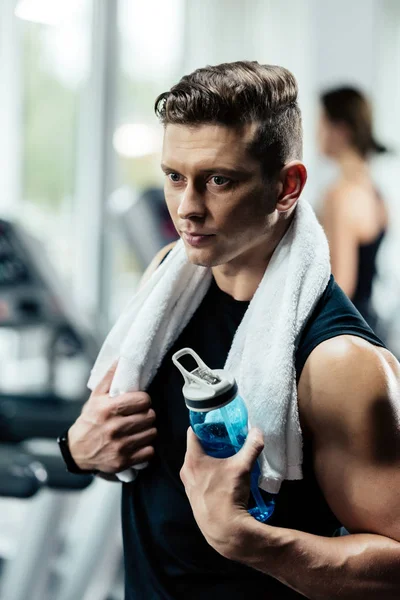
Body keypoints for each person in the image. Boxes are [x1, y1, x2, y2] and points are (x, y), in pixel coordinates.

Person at [62, 62, 400, 599]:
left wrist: (255, 544)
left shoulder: (339, 364)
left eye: (218, 180)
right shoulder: (166, 276)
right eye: (175, 177)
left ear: (287, 185)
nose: (187, 209)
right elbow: (122, 450)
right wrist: (77, 450)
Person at [318, 87, 389, 329]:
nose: (317, 133)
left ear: (341, 130)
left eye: (322, 123)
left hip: (349, 330)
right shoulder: (373, 190)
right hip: (370, 323)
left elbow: (342, 285)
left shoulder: (341, 195)